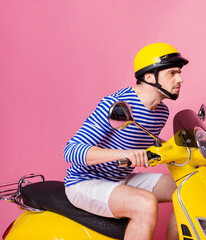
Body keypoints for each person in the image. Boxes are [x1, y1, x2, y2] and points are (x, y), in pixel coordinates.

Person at [64, 43, 189, 240]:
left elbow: (148, 139)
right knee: (145, 203)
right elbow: (71, 151)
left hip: (119, 178)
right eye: (172, 73)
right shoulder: (117, 105)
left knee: (187, 187)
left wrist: (185, 147)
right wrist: (124, 154)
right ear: (150, 77)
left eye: (179, 73)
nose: (180, 79)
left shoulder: (161, 112)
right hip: (85, 182)